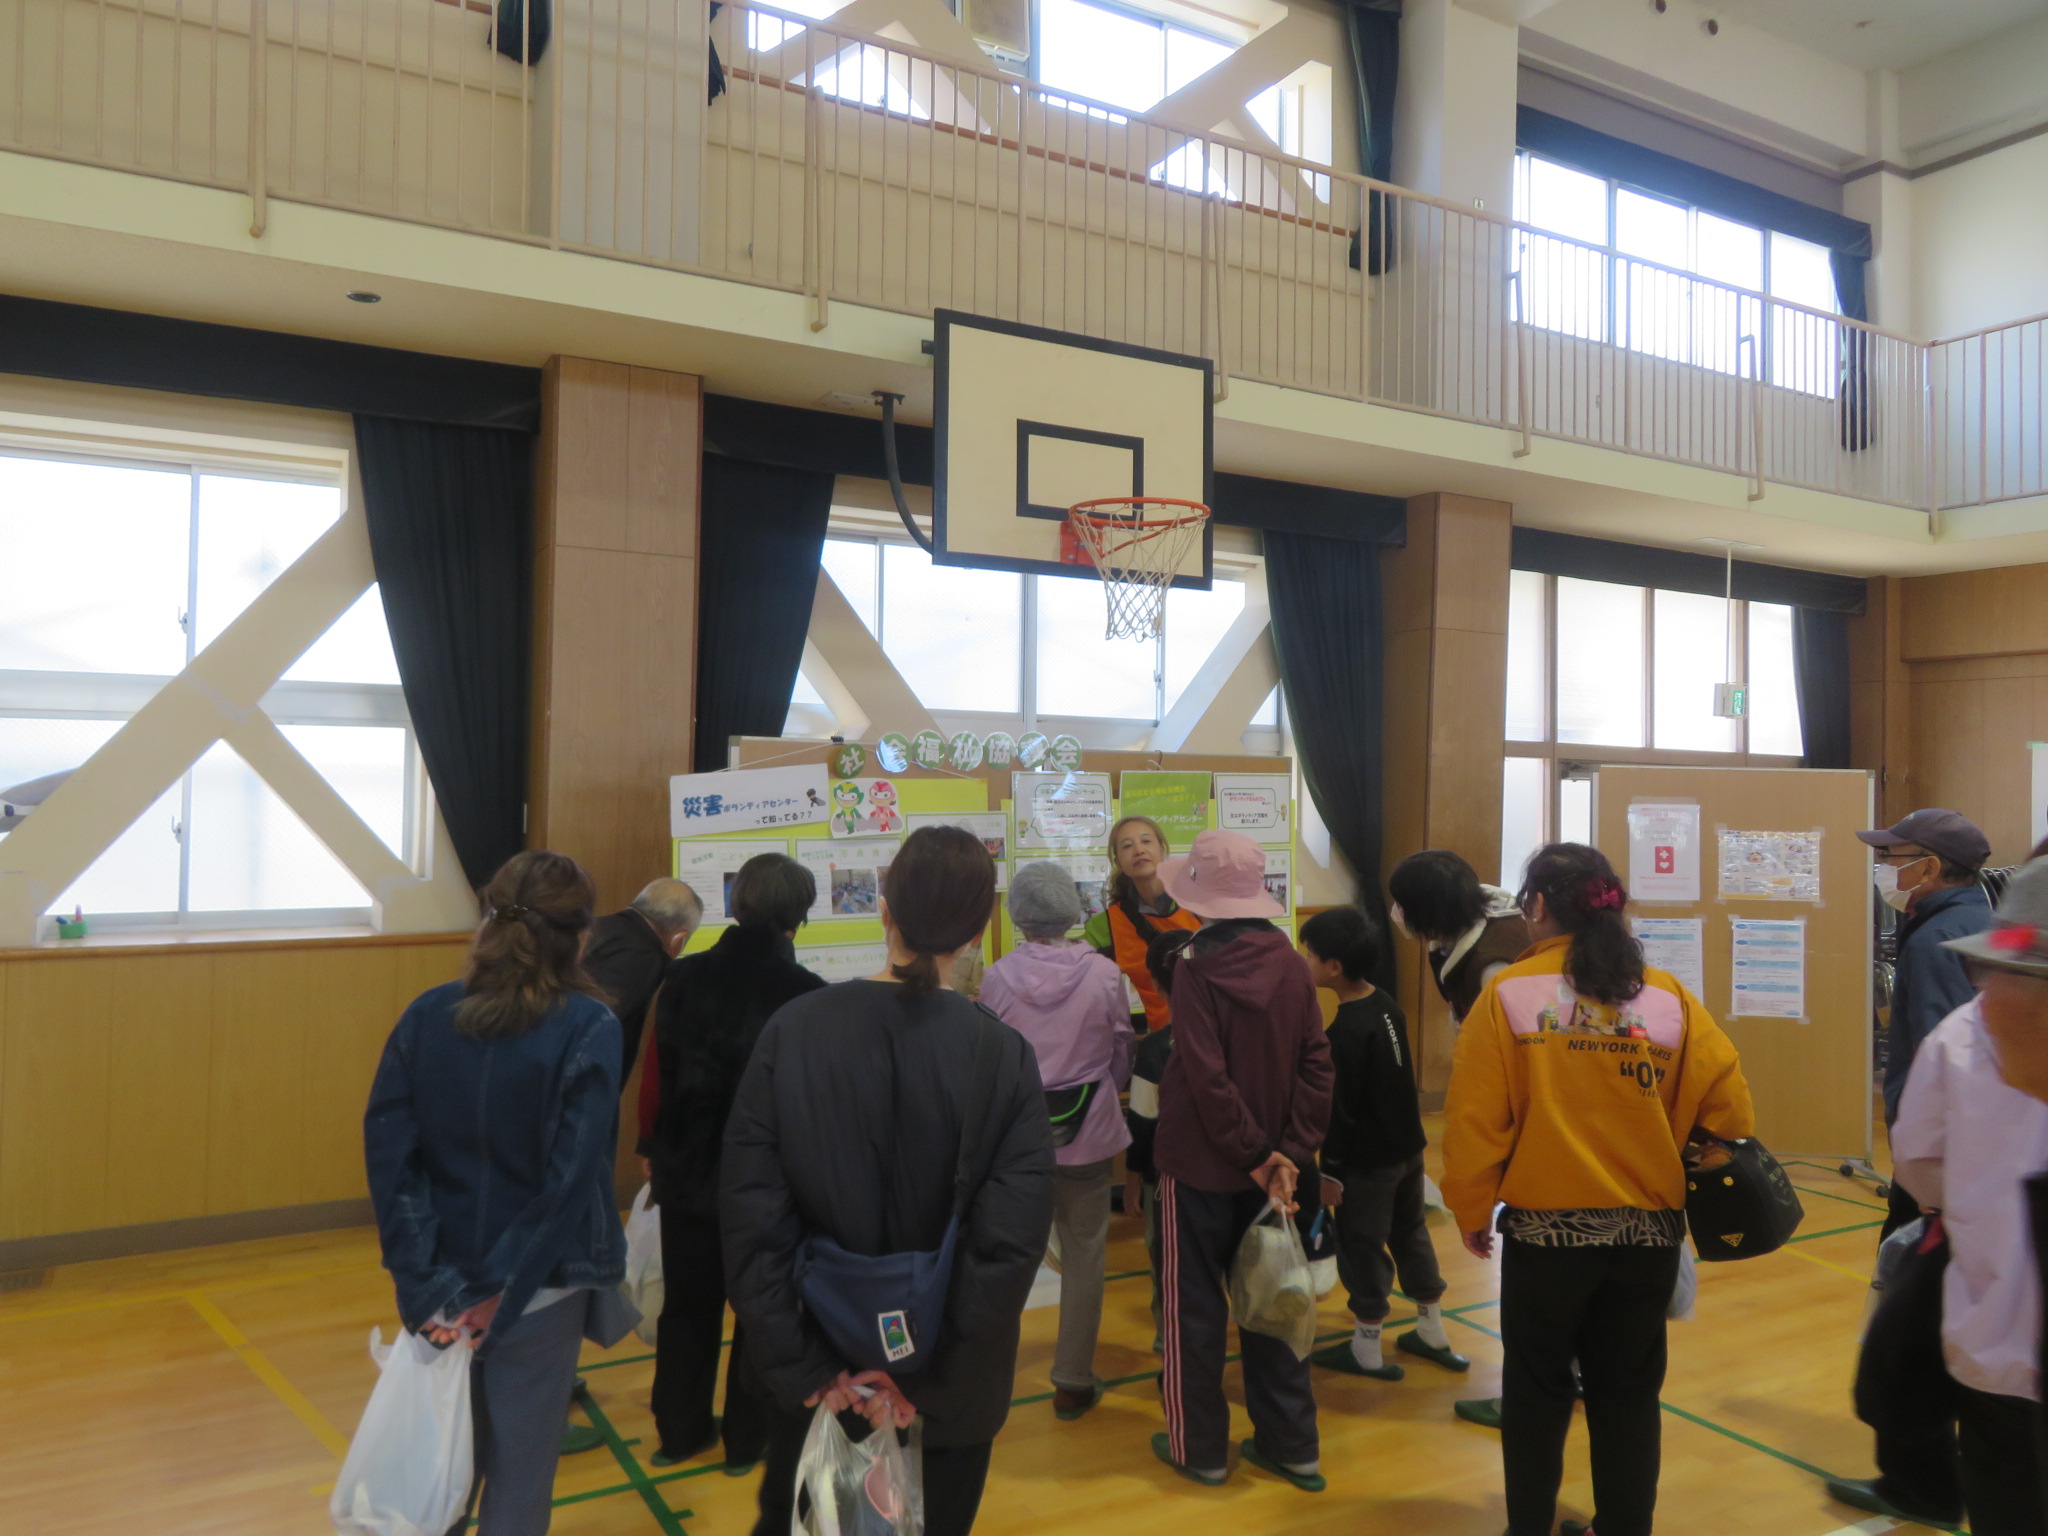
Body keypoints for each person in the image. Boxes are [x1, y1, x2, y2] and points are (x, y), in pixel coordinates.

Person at [722, 826, 1056, 1536]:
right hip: (945, 1391)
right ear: (980, 928)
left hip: (820, 1372)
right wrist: (928, 1384)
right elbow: (1008, 1246)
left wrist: (805, 1366)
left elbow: (753, 1217)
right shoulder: (1001, 1054)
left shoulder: (796, 1029)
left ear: (884, 907)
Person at [1443, 843, 1754, 1536]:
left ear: (1541, 907)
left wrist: (1470, 1207)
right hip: (1647, 1235)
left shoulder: (1506, 997)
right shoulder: (1667, 996)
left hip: (1547, 1238)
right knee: (1628, 1395)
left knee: (1537, 1391)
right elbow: (1731, 1113)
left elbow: (1474, 1122)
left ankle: (1528, 1527)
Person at [363, 850, 635, 1536]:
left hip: (443, 1286)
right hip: (538, 1294)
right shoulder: (590, 1027)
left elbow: (394, 1165)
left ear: (487, 922)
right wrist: (501, 1291)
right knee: (518, 1483)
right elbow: (568, 1182)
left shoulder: (426, 1016)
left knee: (440, 1472)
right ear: (581, 936)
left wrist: (424, 1285)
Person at [1834, 861, 2048, 1536]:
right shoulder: (1974, 1031)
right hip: (1991, 1358)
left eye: (2004, 975)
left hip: (1995, 1353)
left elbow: (1922, 1163)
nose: (1984, 996)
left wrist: (1969, 1204)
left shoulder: (1961, 1034)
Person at [1148, 829, 1333, 1492]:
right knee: (1275, 1301)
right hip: (1276, 1175)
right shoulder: (1288, 960)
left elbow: (1205, 1075)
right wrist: (1289, 1152)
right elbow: (1318, 1060)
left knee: (1191, 1313)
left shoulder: (1193, 966)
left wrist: (1259, 1154)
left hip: (1200, 1169)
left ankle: (1198, 1449)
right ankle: (1294, 1447)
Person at [645, 854, 826, 1471]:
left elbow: (658, 1077)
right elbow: (805, 1109)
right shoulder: (807, 997)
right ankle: (747, 1444)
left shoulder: (684, 975)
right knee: (760, 1313)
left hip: (685, 1167)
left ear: (735, 902)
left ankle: (678, 1430)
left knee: (687, 1308)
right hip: (764, 1184)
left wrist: (653, 1149)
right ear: (798, 917)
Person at [979, 860, 1133, 1419]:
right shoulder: (1104, 973)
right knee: (1087, 1253)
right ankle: (1071, 1379)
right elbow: (1121, 1047)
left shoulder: (996, 977)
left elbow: (991, 1061)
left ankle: (987, 1373)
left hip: (1018, 1139)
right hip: (1088, 1131)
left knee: (1009, 1254)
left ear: (1018, 914)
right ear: (1073, 910)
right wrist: (1102, 1092)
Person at [1387, 849, 1531, 1428]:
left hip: (1524, 1118)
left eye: (1404, 904)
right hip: (1520, 1112)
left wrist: (1474, 1204)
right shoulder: (1473, 921)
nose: (1397, 913)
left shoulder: (1496, 964)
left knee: (1534, 1282)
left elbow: (1510, 1061)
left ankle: (1529, 1396)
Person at [1298, 905, 1467, 1383]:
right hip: (1407, 1151)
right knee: (1410, 1233)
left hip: (1365, 1164)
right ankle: (1432, 1331)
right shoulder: (1386, 1005)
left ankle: (1367, 1349)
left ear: (1334, 967)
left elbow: (1341, 1112)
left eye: (1309, 955)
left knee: (1361, 1244)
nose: (1304, 961)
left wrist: (1329, 1172)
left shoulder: (1345, 1033)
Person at [1858, 808, 1993, 1237]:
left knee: (1907, 1276)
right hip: (1966, 1155)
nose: (1881, 868)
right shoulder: (1978, 921)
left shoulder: (1938, 939)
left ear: (1929, 867)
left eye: (1891, 856)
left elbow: (1944, 1060)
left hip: (1940, 1158)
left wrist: (1919, 1151)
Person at [1389, 849, 1530, 1030]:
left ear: (1424, 911)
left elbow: (1517, 1038)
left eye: (1400, 905)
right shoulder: (1455, 931)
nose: (1396, 912)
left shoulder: (1493, 965)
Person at [1083, 815, 1202, 1031]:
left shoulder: (1200, 905)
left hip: (1216, 1034)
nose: (1139, 850)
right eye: (1127, 846)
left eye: (1146, 841)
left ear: (1162, 850)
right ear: (1118, 862)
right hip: (1164, 1043)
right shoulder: (1105, 926)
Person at [586, 877, 703, 1090]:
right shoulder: (646, 959)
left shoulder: (598, 926)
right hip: (583, 1089)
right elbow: (596, 1030)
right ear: (679, 940)